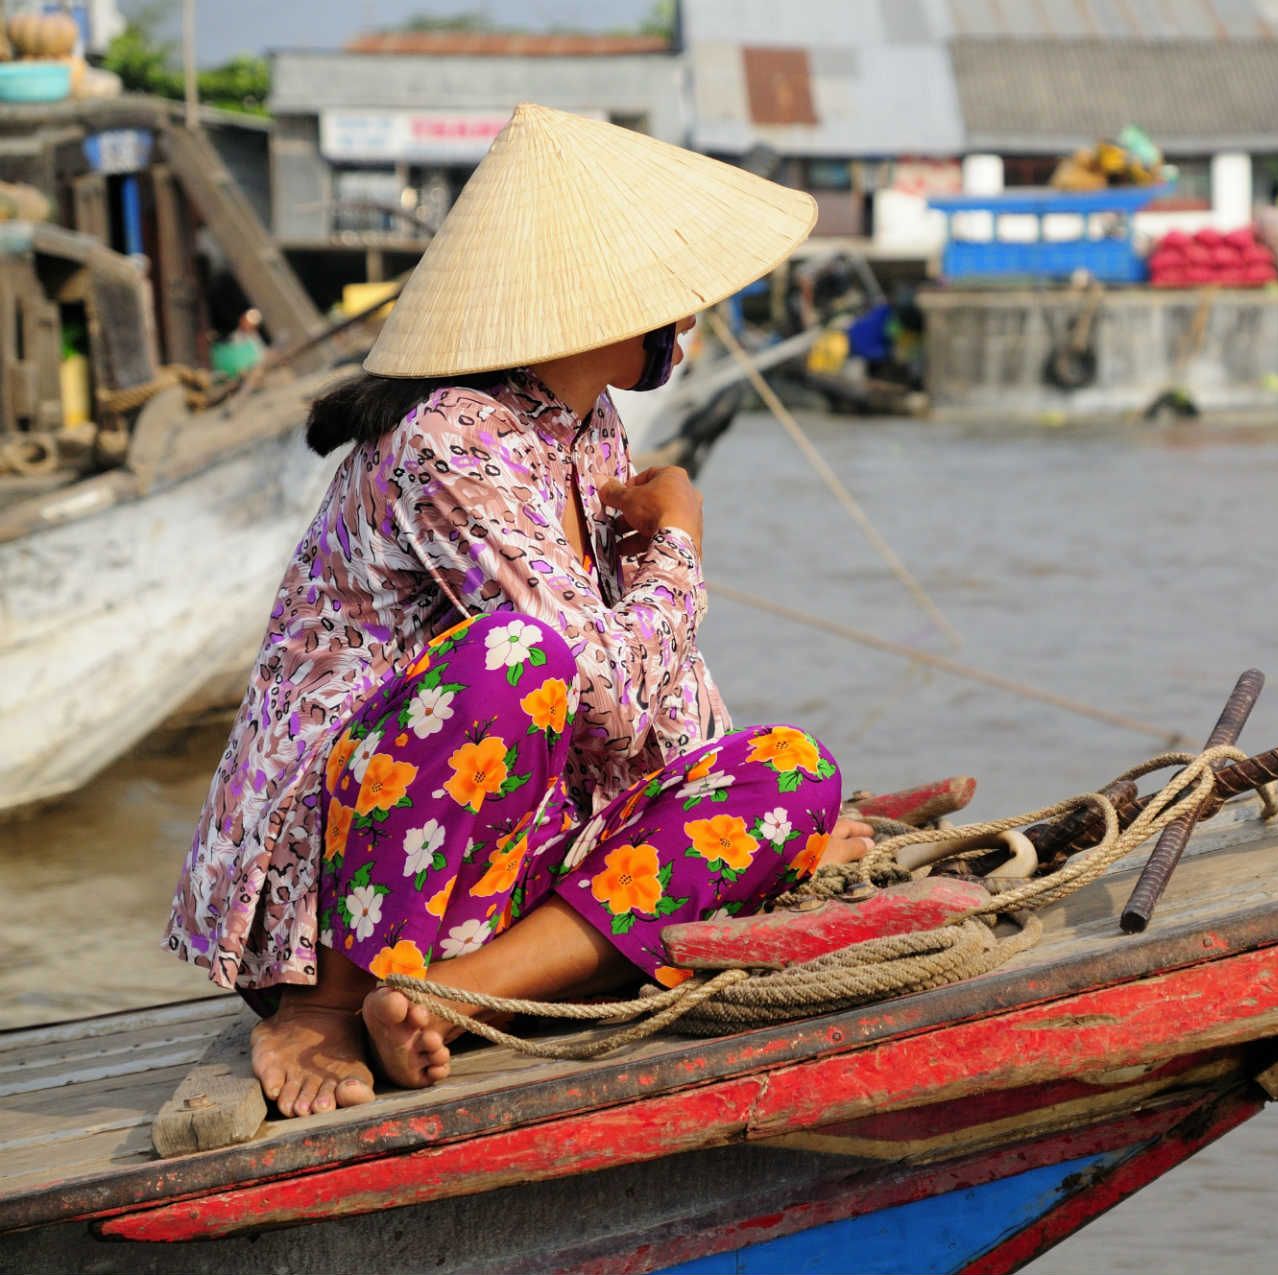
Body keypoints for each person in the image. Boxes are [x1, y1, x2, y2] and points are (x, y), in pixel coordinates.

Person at [166, 103, 877, 1119]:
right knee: (516, 660)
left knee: (794, 771)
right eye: (672, 297)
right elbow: (604, 698)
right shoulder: (452, 439)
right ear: (604, 306)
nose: (687, 318)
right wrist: (677, 542)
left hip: (484, 862)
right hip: (355, 865)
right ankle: (325, 1004)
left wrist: (771, 824)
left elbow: (653, 706)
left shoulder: (588, 431)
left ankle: (445, 998)